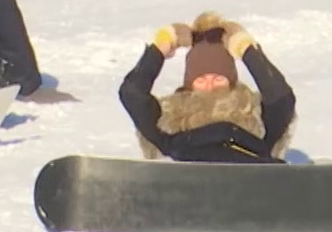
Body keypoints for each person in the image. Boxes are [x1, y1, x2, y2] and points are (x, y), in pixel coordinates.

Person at [117, 11, 297, 163]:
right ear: (189, 85)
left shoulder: (256, 119)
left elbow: (281, 97)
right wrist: (162, 45)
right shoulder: (168, 122)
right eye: (201, 79)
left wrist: (245, 48)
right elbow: (133, 94)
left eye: (218, 78)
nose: (211, 86)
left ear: (231, 81)